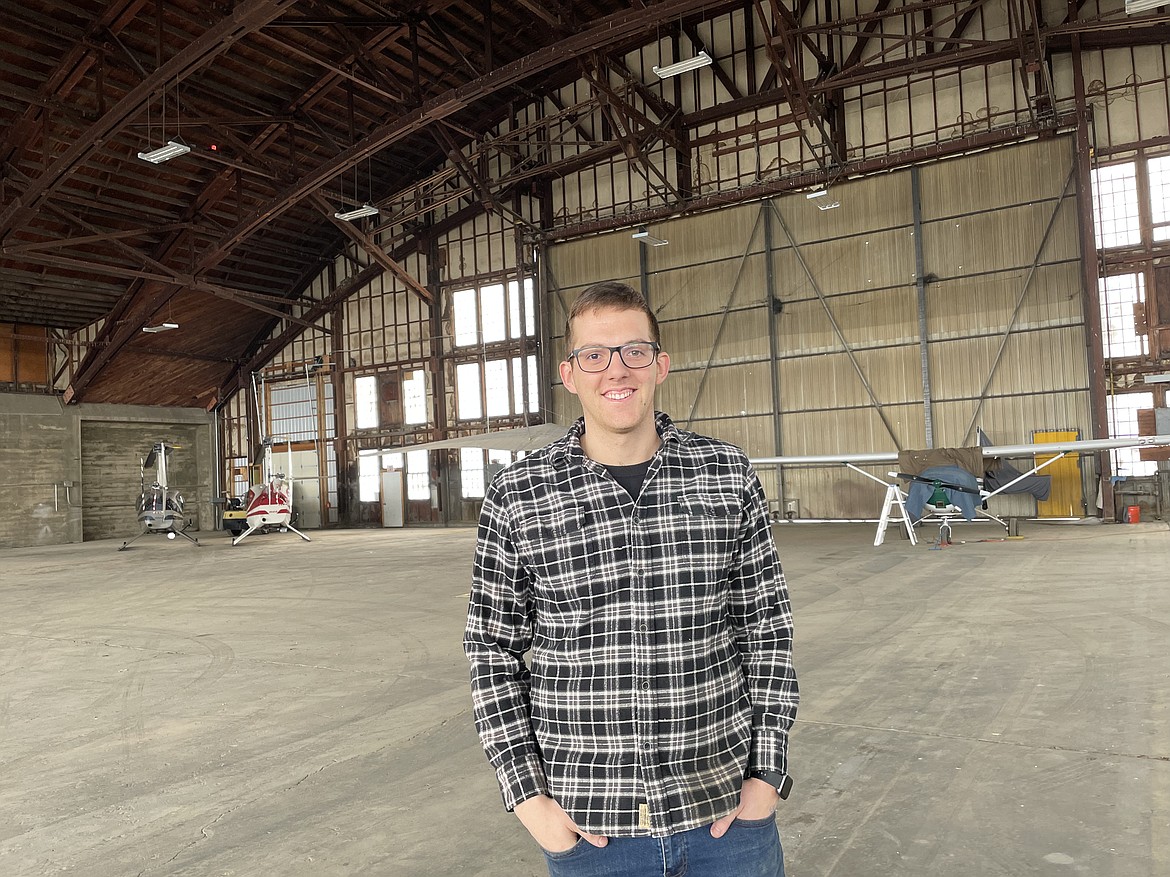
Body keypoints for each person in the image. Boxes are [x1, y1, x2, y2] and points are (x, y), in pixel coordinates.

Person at [464, 281, 799, 876]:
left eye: (633, 352)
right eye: (594, 354)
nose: (615, 370)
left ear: (660, 365)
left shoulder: (726, 474)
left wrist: (765, 778)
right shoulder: (519, 495)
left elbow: (767, 632)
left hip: (726, 822)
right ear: (569, 373)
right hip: (593, 835)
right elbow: (492, 653)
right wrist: (529, 801)